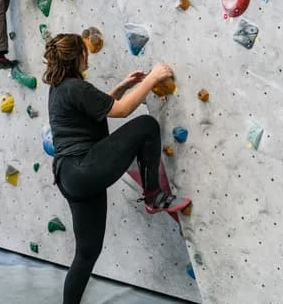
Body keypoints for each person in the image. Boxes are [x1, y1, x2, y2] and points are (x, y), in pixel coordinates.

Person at [44, 33, 191, 304]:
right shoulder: (76, 87)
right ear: (77, 57)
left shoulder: (60, 87)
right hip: (83, 167)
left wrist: (123, 85)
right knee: (146, 126)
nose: (88, 56)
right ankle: (154, 196)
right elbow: (121, 111)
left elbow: (101, 107)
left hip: (70, 176)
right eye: (85, 52)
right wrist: (152, 78)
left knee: (87, 253)